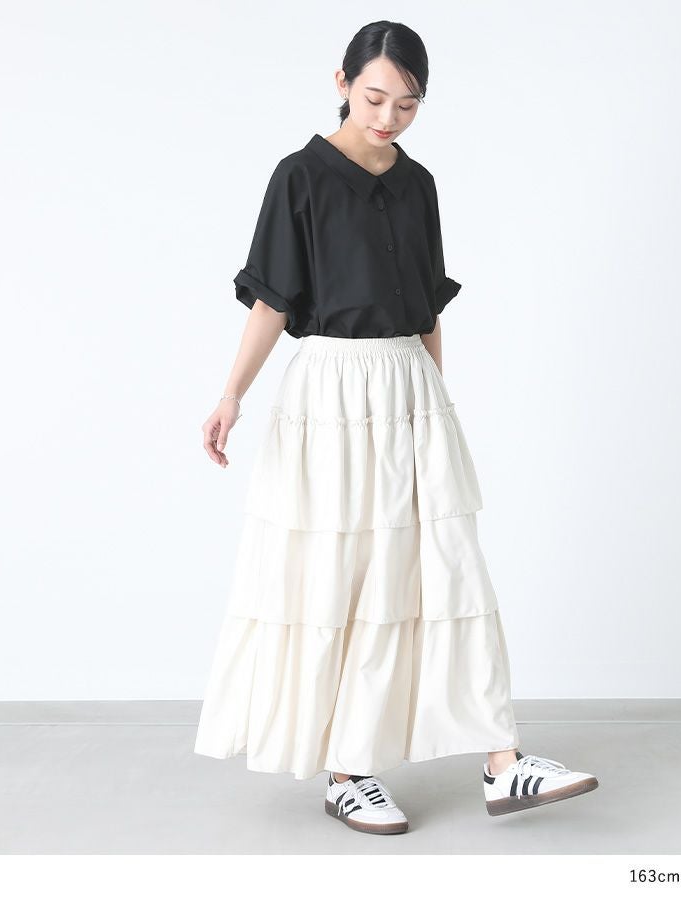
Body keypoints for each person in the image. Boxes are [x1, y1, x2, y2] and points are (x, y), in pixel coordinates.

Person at [193, 20, 598, 836]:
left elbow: (428, 308)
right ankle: (349, 771)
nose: (388, 118)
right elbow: (272, 300)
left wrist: (434, 400)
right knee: (345, 576)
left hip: (410, 385)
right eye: (375, 98)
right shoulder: (300, 176)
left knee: (447, 569)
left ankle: (503, 761)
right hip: (331, 390)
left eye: (407, 105)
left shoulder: (419, 185)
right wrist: (231, 394)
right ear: (341, 82)